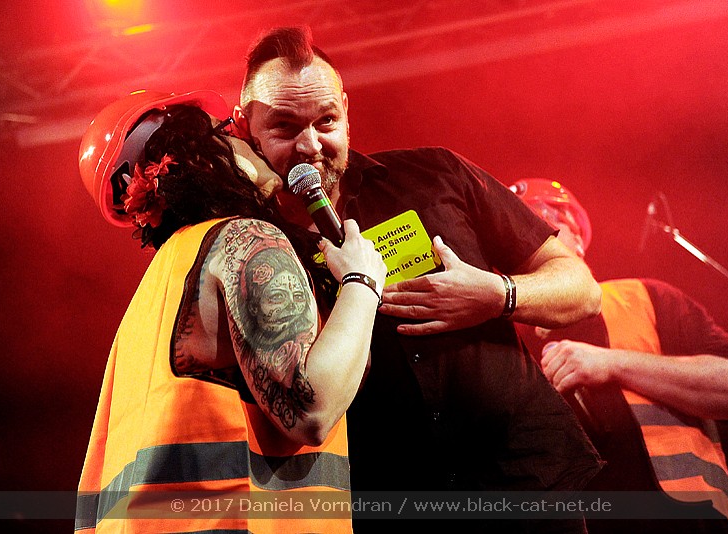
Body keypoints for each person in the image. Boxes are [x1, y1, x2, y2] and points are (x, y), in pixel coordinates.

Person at [235, 27, 605, 533]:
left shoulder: (435, 174)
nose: (311, 145)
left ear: (346, 111)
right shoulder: (251, 242)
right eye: (284, 126)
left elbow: (582, 288)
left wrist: (498, 294)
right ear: (245, 126)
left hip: (526, 484)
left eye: (327, 121)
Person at [75, 89, 386, 533]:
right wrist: (362, 281)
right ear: (197, 154)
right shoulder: (245, 239)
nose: (245, 139)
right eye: (227, 131)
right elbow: (311, 410)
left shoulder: (153, 293)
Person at [514, 178, 728, 534]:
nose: (521, 243)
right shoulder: (506, 338)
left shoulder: (643, 297)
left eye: (535, 223)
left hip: (683, 525)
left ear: (572, 229)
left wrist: (611, 363)